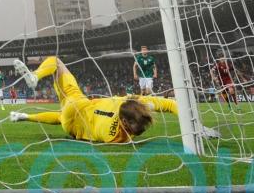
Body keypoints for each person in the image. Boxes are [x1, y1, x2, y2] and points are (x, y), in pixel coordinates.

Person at [10, 57, 180, 143]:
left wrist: (146, 104)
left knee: (55, 62)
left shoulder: (124, 101)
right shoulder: (115, 139)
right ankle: (26, 116)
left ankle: (35, 76)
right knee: (60, 116)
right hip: (71, 127)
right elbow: (169, 104)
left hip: (78, 103)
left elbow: (169, 104)